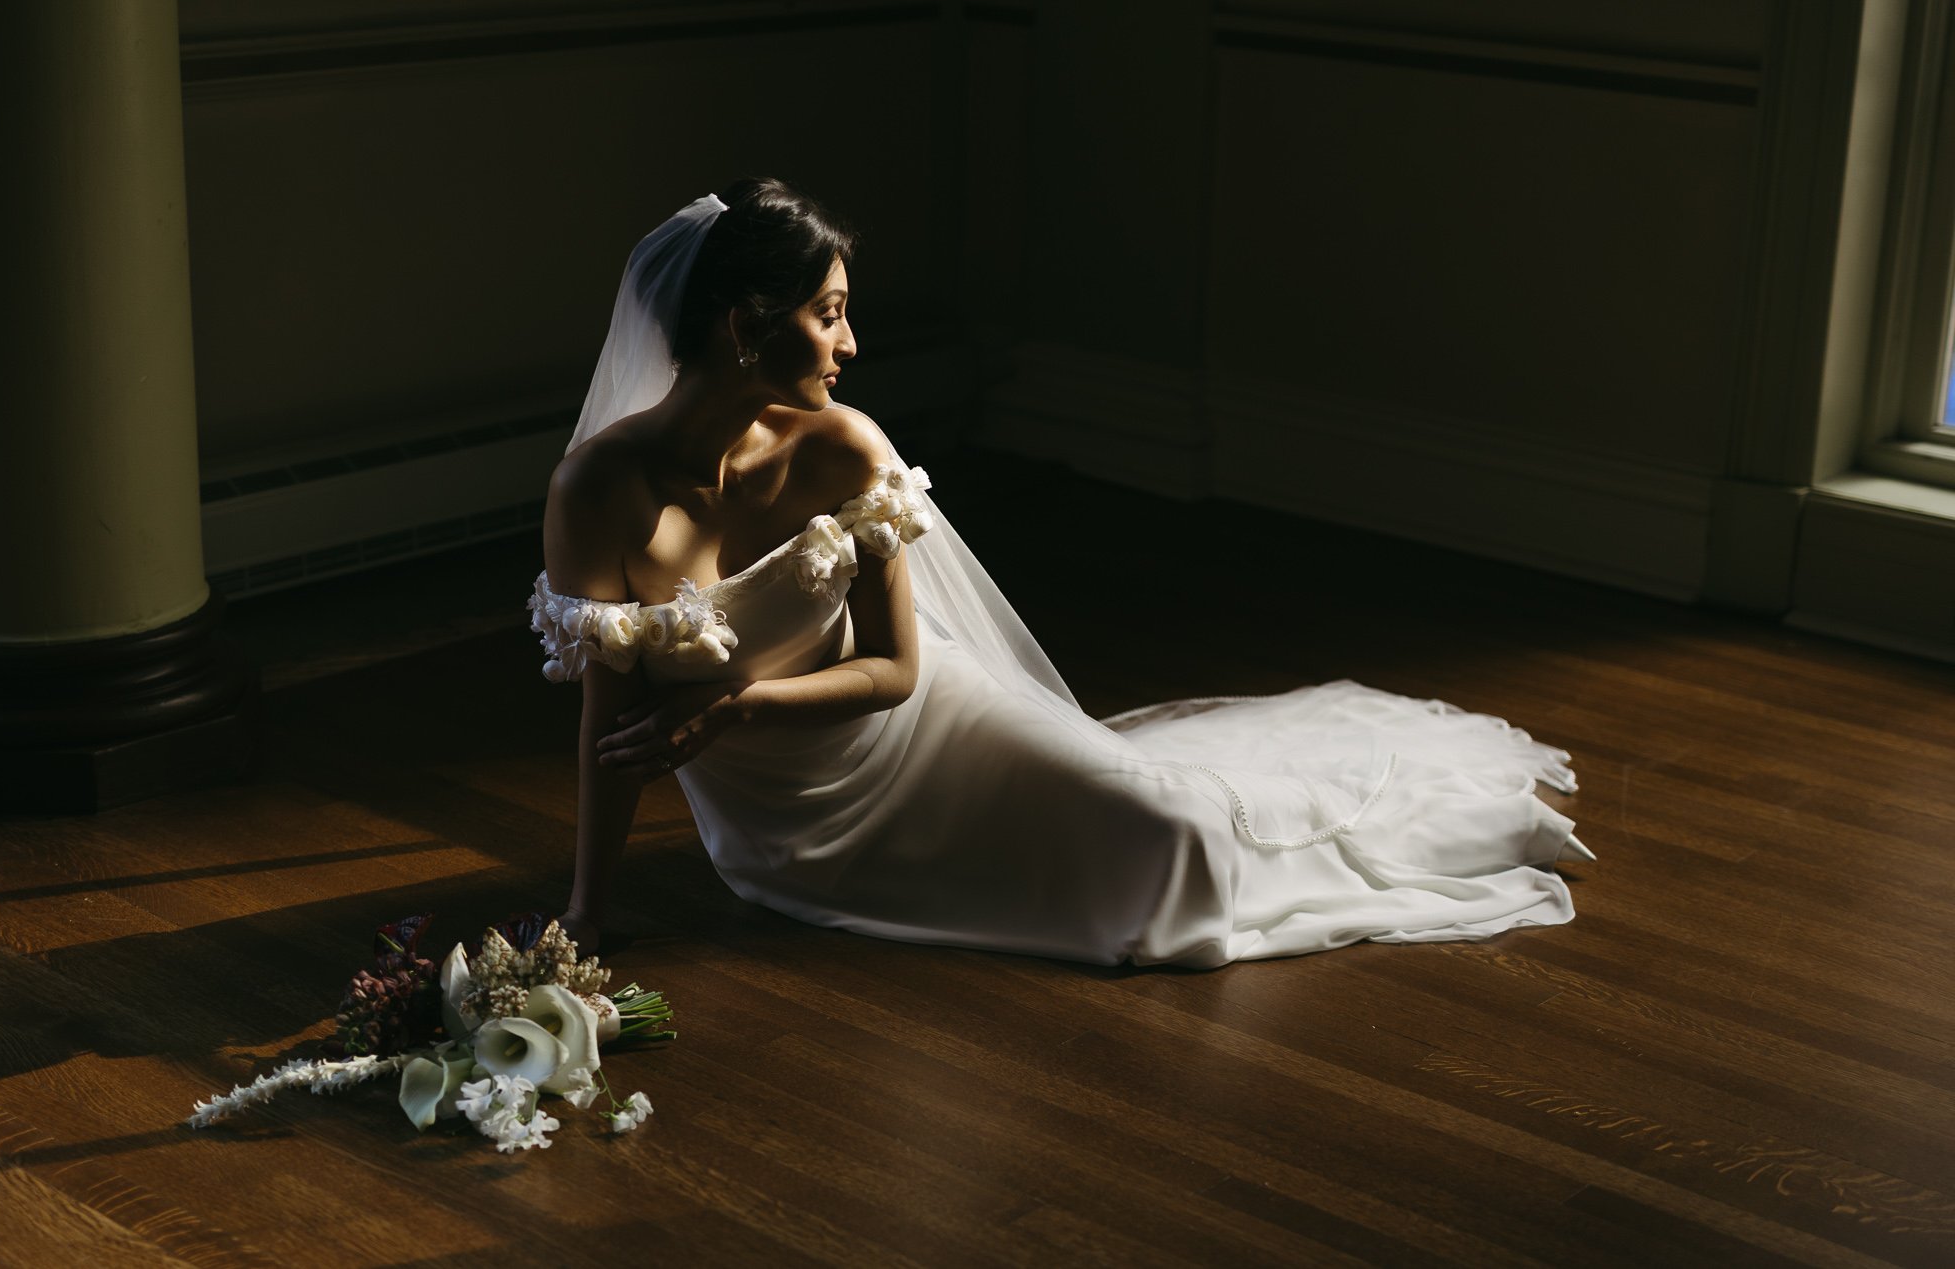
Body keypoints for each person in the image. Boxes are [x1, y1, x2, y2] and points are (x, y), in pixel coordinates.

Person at [530, 178, 1591, 968]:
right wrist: (587, 909)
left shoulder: (846, 448)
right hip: (782, 834)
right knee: (1139, 864)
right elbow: (607, 723)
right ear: (746, 326)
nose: (851, 342)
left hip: (929, 733)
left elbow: (897, 669)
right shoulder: (597, 491)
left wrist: (734, 706)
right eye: (830, 312)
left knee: (1177, 840)